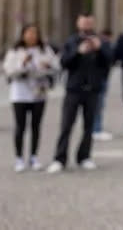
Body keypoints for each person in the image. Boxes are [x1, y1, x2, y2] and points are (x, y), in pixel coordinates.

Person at [46, 14, 110, 174]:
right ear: (78, 23)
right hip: (74, 89)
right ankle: (60, 158)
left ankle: (84, 156)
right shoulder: (71, 41)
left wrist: (99, 49)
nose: (87, 24)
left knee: (88, 126)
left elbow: (109, 61)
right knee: (66, 125)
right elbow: (64, 62)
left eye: (89, 22)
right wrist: (78, 52)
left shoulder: (100, 41)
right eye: (84, 21)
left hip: (92, 89)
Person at [3, 24, 59, 172]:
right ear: (23, 35)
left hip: (38, 93)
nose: (32, 36)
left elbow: (56, 66)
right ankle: (19, 158)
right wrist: (23, 63)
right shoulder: (15, 51)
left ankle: (34, 156)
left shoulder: (45, 50)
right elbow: (9, 71)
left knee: (36, 126)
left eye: (35, 33)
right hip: (20, 93)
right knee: (20, 126)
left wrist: (47, 66)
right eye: (29, 33)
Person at [92, 28, 115, 142]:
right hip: (100, 79)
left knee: (98, 105)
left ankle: (95, 128)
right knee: (98, 105)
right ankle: (96, 129)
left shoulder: (102, 44)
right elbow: (110, 59)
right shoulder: (105, 45)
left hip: (100, 78)